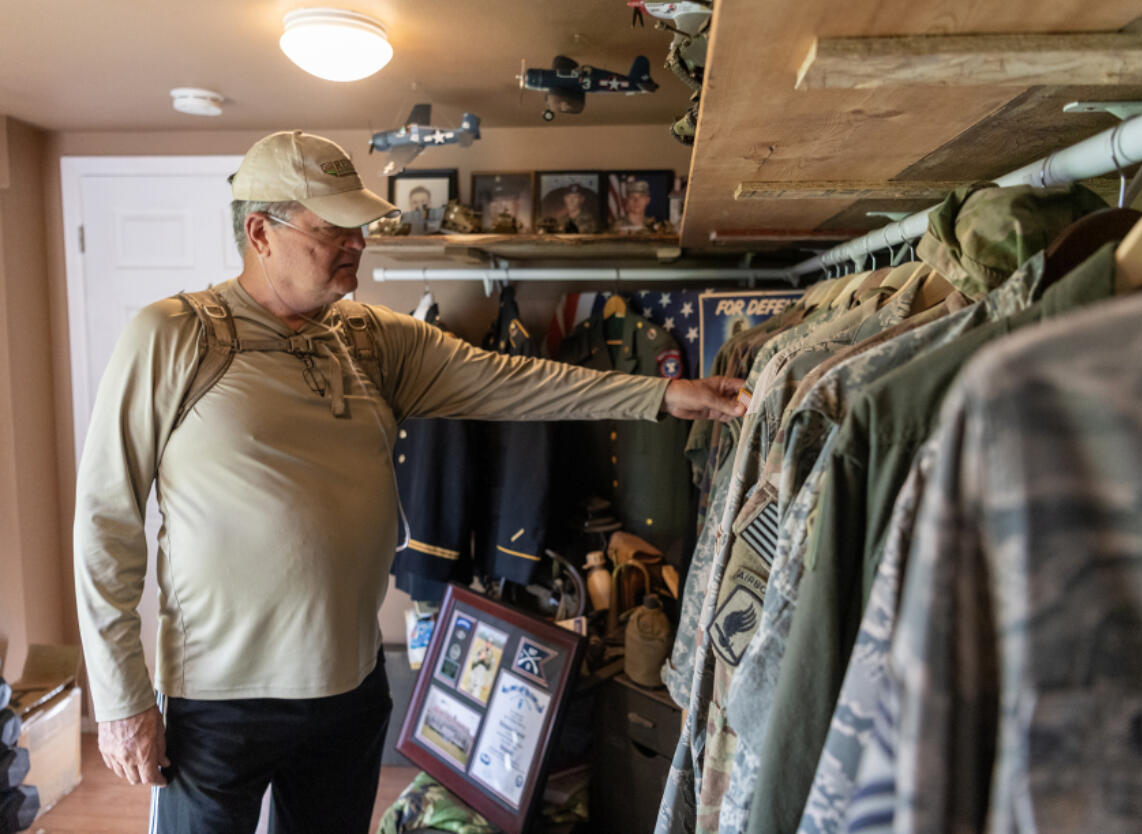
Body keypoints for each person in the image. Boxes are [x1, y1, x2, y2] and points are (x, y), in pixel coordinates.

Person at [74, 130, 744, 833]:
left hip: (350, 694)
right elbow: (105, 523)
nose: (357, 243)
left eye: (359, 228)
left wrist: (664, 398)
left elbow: (514, 382)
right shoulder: (174, 336)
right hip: (217, 702)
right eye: (332, 228)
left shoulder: (373, 339)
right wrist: (121, 701)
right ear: (259, 232)